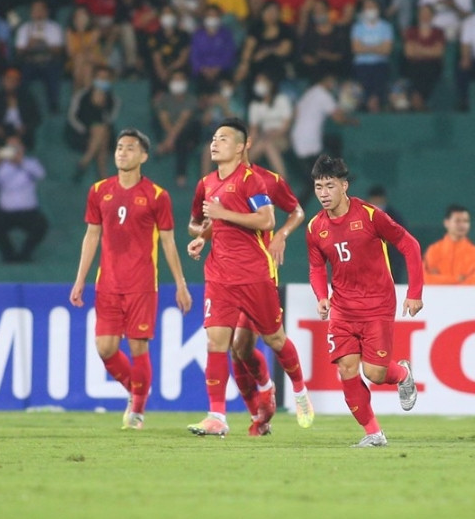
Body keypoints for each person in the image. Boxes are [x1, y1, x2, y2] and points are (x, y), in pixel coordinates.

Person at [185, 118, 305, 437]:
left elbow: (268, 220)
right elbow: (196, 222)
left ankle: (289, 390)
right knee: (218, 342)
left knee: (265, 341)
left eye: (222, 138)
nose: (214, 143)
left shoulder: (257, 180)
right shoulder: (206, 183)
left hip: (255, 273)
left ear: (242, 146)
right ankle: (218, 416)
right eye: (213, 138)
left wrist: (280, 235)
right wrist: (202, 236)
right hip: (219, 275)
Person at [70, 128, 193, 430]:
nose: (122, 153)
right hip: (108, 283)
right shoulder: (99, 190)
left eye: (129, 148)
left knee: (139, 348)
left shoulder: (157, 195)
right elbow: (92, 235)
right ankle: (137, 388)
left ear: (144, 156)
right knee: (105, 348)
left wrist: (180, 284)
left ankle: (137, 409)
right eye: (119, 148)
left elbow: (167, 242)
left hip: (141, 284)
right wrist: (80, 279)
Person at [305, 155, 424, 447]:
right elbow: (317, 267)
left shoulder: (370, 215)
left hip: (377, 305)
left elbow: (410, 245)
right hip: (343, 309)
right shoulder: (314, 228)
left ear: (344, 186)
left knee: (375, 373)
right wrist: (322, 297)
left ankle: (402, 373)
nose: (323, 193)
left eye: (329, 186)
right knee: (346, 368)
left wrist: (415, 293)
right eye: (318, 186)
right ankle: (373, 433)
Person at [288, 75, 356, 206]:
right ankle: (297, 210)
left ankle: (339, 174)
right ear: (327, 80)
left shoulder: (310, 92)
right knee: (313, 180)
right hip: (309, 143)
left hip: (298, 139)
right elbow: (338, 119)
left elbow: (296, 113)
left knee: (333, 142)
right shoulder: (323, 95)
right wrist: (352, 121)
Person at [0, 137, 48, 263]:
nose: (13, 151)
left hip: (28, 211)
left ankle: (25, 254)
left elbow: (41, 174)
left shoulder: (30, 163)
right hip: (6, 212)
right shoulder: (0, 166)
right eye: (10, 148)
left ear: (22, 148)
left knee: (41, 225)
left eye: (16, 147)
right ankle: (8, 255)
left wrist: (21, 162)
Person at [67, 65, 121, 183]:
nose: (102, 81)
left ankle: (85, 161)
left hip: (103, 132)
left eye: (105, 78)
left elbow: (111, 119)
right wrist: (84, 129)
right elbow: (72, 116)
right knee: (101, 132)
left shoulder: (113, 99)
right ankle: (102, 174)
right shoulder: (82, 95)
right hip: (80, 132)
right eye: (99, 77)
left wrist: (102, 106)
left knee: (102, 130)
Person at [14, 0, 64, 113]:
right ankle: (22, 106)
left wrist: (45, 43)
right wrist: (29, 45)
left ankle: (53, 106)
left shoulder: (54, 27)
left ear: (47, 12)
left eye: (41, 10)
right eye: (36, 10)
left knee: (54, 71)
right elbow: (19, 52)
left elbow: (59, 51)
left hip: (48, 61)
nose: (39, 13)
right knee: (22, 74)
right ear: (31, 13)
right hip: (30, 62)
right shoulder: (24, 28)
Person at [423, 204, 475, 285]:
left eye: (466, 221)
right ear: (446, 223)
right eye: (457, 221)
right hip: (438, 297)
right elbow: (427, 279)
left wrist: (441, 279)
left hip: (466, 297)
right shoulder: (433, 250)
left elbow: (473, 282)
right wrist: (457, 279)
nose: (462, 225)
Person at [401, 4, 446, 111]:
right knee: (415, 70)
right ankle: (418, 102)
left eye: (427, 14)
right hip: (414, 66)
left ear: (432, 16)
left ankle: (418, 100)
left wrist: (419, 49)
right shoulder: (411, 31)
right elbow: (409, 53)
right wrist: (428, 50)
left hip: (432, 67)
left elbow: (438, 52)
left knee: (428, 70)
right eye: (422, 13)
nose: (425, 16)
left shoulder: (438, 32)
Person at [247, 73, 292, 178]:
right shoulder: (255, 105)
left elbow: (286, 126)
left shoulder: (281, 99)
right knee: (265, 144)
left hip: (281, 137)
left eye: (262, 81)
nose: (259, 84)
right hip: (264, 137)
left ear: (270, 84)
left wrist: (273, 133)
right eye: (257, 82)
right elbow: (253, 131)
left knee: (266, 143)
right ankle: (283, 181)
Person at [368, 185, 408, 283]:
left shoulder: (394, 215)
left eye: (378, 200)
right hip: (369, 259)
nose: (376, 203)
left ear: (383, 199)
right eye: (374, 200)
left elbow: (400, 236)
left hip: (392, 259)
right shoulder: (364, 214)